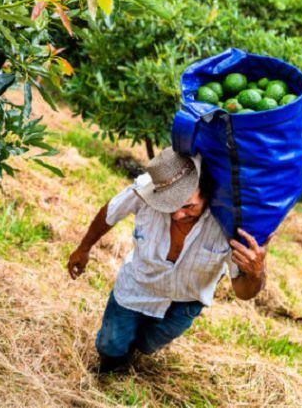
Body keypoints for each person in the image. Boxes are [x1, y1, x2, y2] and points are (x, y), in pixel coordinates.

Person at [67, 147, 269, 373]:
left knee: (146, 345)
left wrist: (255, 273)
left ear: (208, 193)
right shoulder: (147, 189)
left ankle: (133, 351)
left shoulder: (229, 224)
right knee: (110, 345)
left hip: (185, 301)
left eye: (187, 205)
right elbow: (110, 211)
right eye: (169, 205)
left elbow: (243, 292)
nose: (177, 214)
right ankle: (113, 367)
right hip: (137, 285)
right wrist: (84, 248)